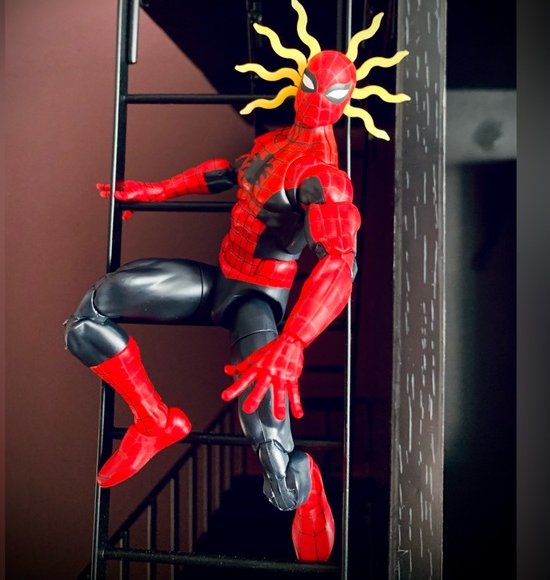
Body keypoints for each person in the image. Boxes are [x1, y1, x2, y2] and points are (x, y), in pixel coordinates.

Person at [64, 0, 408, 562]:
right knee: (88, 316)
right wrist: (154, 191)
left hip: (258, 301)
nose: (316, 98)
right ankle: (154, 420)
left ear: (348, 100)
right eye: (311, 83)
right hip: (218, 279)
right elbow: (226, 173)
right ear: (297, 79)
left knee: (273, 460)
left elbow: (340, 261)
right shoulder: (273, 142)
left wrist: (293, 341)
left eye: (331, 92)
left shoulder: (325, 177)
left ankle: (306, 487)